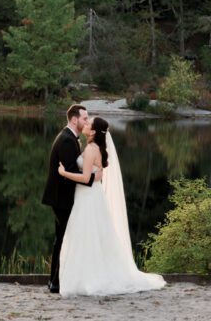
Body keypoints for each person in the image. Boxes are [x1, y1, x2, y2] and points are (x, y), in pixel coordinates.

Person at [56, 116, 166, 297]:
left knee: (86, 235)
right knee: (91, 236)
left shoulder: (91, 149)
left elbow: (85, 179)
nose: (86, 123)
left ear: (92, 132)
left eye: (89, 123)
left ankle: (87, 279)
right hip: (90, 196)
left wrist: (64, 173)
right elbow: (95, 174)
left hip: (88, 198)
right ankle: (87, 276)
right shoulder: (93, 147)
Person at [41, 103, 93, 294]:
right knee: (63, 239)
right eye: (84, 118)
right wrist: (93, 180)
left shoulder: (71, 138)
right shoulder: (67, 140)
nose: (87, 121)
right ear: (74, 119)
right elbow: (69, 172)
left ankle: (54, 281)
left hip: (61, 198)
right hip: (61, 199)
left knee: (61, 239)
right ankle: (56, 282)